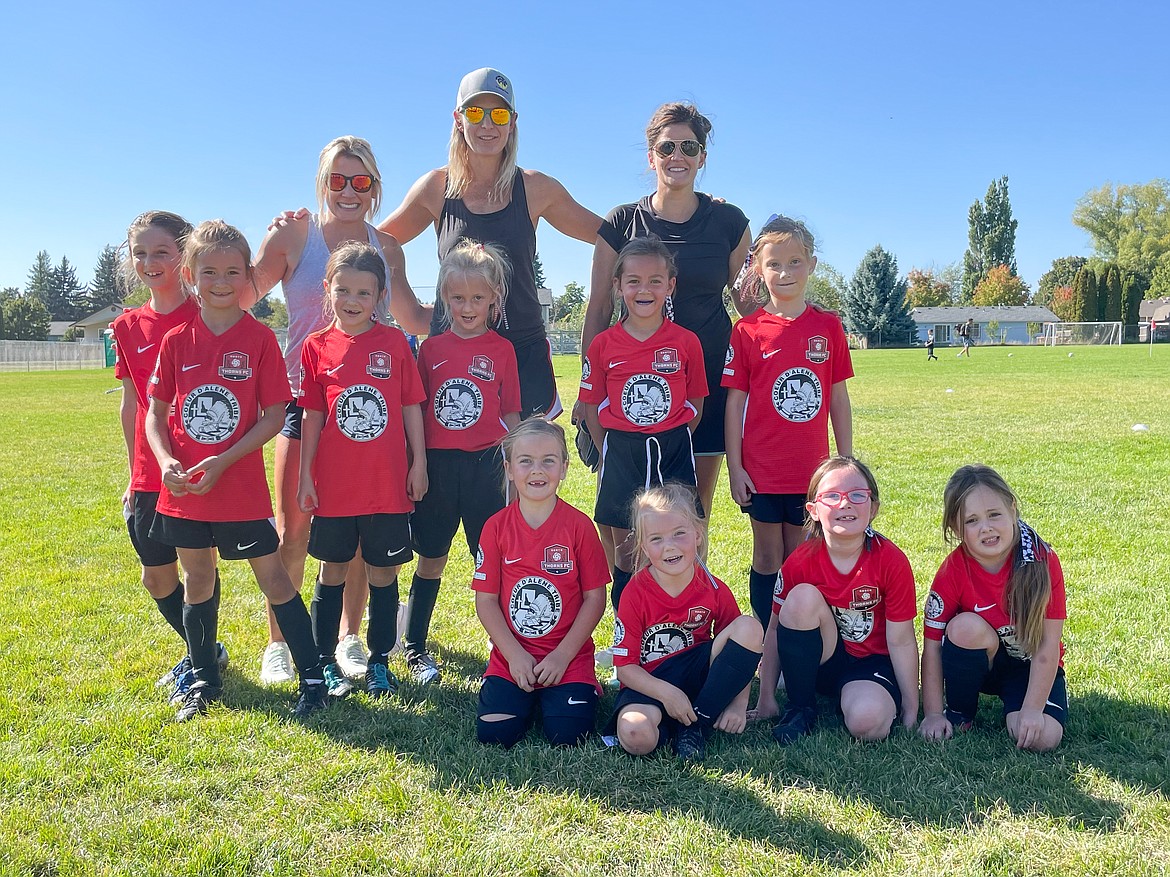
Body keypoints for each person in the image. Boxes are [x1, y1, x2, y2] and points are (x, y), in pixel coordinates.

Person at [248, 136, 432, 687]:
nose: (349, 191)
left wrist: (478, 308)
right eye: (337, 180)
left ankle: (350, 638)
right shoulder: (295, 234)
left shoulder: (387, 248)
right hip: (304, 404)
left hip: (366, 419)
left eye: (362, 181)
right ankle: (280, 642)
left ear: (376, 188)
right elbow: (242, 291)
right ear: (321, 183)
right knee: (295, 529)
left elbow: (412, 318)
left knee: (357, 534)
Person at [144, 220, 327, 721]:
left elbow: (273, 416)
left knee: (274, 579)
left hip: (239, 489)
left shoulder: (261, 339)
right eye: (209, 272)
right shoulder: (177, 340)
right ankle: (204, 678)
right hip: (186, 489)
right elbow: (155, 414)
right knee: (197, 579)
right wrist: (166, 462)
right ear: (190, 274)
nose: (220, 281)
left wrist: (223, 461)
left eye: (231, 271)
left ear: (247, 275)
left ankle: (312, 679)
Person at [376, 67, 602, 418]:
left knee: (524, 470)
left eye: (498, 114)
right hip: (454, 357)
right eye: (475, 112)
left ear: (512, 122)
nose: (487, 125)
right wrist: (409, 311)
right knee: (454, 468)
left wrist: (677, 209)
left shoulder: (536, 188)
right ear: (458, 119)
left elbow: (610, 236)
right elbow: (377, 241)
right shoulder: (435, 188)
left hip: (521, 357)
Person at [581, 102, 753, 542]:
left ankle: (684, 609)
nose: (678, 155)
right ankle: (631, 607)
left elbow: (750, 306)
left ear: (702, 157)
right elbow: (598, 307)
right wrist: (587, 397)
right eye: (667, 146)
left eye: (689, 146)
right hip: (629, 392)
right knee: (623, 520)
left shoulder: (729, 222)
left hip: (706, 383)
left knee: (689, 520)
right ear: (651, 155)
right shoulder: (621, 221)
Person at [722, 216, 853, 718]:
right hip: (762, 469)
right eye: (774, 263)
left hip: (810, 474)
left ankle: (804, 652)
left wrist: (843, 462)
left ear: (812, 265)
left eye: (795, 261)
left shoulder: (828, 327)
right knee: (767, 557)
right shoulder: (748, 330)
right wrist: (735, 467)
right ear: (758, 269)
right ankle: (768, 657)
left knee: (801, 563)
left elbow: (838, 398)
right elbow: (734, 406)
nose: (786, 272)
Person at [297, 242, 427, 700]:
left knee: (382, 574)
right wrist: (306, 475)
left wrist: (420, 462)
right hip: (335, 486)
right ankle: (325, 661)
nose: (352, 301)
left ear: (380, 297)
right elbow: (312, 415)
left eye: (364, 293)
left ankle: (378, 662)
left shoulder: (394, 344)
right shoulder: (315, 348)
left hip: (386, 485)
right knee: (331, 571)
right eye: (343, 289)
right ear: (326, 290)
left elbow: (411, 405)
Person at [111, 211, 227, 701]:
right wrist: (131, 474)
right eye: (141, 253)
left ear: (184, 254)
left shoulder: (210, 315)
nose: (150, 262)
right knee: (155, 576)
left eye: (162, 251)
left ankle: (202, 670)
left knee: (198, 570)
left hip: (195, 472)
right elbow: (132, 404)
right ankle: (206, 650)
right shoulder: (127, 325)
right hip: (148, 472)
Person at [408, 240, 522, 686]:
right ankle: (415, 646)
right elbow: (415, 412)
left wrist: (515, 469)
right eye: (457, 298)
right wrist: (417, 463)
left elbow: (510, 413)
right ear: (443, 298)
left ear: (494, 298)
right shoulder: (430, 350)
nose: (467, 306)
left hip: (487, 469)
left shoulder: (503, 351)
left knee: (492, 560)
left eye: (477, 298)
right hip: (438, 468)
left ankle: (508, 645)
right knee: (430, 558)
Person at [577, 237, 708, 608]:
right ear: (618, 286)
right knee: (627, 551)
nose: (644, 289)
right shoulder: (603, 345)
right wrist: (608, 450)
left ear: (671, 286)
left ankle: (676, 628)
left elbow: (695, 400)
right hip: (622, 451)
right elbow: (591, 405)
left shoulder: (686, 342)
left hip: (673, 449)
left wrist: (673, 435)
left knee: (676, 542)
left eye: (655, 280)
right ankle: (627, 637)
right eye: (633, 280)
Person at [472, 419, 610, 748]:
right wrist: (515, 656)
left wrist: (562, 657)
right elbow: (486, 601)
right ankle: (519, 692)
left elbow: (595, 599)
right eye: (526, 461)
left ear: (563, 467)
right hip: (512, 657)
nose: (538, 470)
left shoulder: (579, 527)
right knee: (495, 735)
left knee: (568, 736)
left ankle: (573, 689)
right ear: (509, 469)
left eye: (548, 460)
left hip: (567, 657)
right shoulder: (495, 527)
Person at [765, 456, 919, 745]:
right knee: (800, 599)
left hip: (870, 664)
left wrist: (911, 708)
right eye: (832, 496)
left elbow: (902, 640)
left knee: (868, 724)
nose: (845, 504)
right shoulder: (800, 561)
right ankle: (800, 706)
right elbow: (774, 629)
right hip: (823, 659)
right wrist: (766, 699)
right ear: (813, 510)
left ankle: (863, 697)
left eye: (857, 495)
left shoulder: (891, 561)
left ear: (873, 508)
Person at [608, 483, 763, 761]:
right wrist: (666, 693)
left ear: (698, 535)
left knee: (750, 626)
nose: (669, 546)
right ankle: (672, 724)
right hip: (650, 683)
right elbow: (625, 669)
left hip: (700, 681)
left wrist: (739, 705)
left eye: (679, 534)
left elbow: (743, 652)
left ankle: (696, 724)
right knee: (635, 736)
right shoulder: (634, 592)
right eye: (656, 539)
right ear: (643, 546)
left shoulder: (714, 589)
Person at [919, 465, 1066, 751]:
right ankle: (961, 712)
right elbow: (933, 646)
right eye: (972, 520)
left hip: (1030, 665)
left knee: (1043, 739)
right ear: (955, 528)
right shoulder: (952, 570)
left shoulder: (1042, 560)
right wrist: (934, 714)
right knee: (963, 628)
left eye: (994, 514)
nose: (986, 527)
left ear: (1012, 509)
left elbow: (1048, 644)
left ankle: (1020, 706)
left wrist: (1033, 711)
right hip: (985, 663)